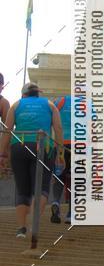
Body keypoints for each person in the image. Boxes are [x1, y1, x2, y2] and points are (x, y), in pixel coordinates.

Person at [0, 82, 64, 237]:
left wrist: (2, 154)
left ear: (24, 94)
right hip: (42, 146)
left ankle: (21, 228)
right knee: (42, 188)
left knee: (22, 190)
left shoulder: (16, 105)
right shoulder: (49, 105)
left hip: (19, 147)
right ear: (38, 94)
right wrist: (60, 152)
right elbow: (58, 128)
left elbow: (7, 131)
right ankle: (32, 223)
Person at [50, 94, 72, 224]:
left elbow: (51, 117)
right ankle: (70, 213)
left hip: (60, 144)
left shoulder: (60, 101)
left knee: (59, 176)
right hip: (80, 145)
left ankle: (56, 202)